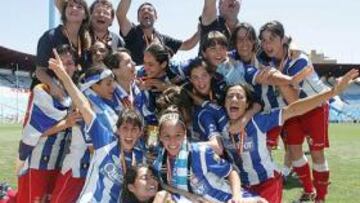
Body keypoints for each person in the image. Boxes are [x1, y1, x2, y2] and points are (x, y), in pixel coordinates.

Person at [223, 69, 358, 203]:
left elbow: (293, 109)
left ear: (247, 104)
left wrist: (332, 92)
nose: (234, 99)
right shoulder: (221, 126)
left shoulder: (258, 121)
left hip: (267, 183)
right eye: (230, 96)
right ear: (224, 103)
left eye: (240, 96)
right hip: (241, 186)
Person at [49, 49, 147, 202]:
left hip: (94, 171)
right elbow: (95, 147)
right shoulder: (87, 108)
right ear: (93, 86)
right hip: (76, 170)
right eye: (108, 84)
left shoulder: (108, 106)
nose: (113, 87)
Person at [259, 20, 333, 202]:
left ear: (283, 39)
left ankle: (321, 198)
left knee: (317, 153)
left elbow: (293, 99)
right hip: (293, 111)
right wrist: (281, 77)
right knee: (293, 151)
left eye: (272, 39)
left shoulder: (299, 60)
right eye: (264, 40)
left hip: (315, 107)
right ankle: (309, 190)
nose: (268, 45)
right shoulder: (269, 59)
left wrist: (277, 79)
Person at [153, 106, 267, 203]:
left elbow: (231, 172)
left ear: (185, 135)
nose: (172, 141)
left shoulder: (200, 153)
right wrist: (189, 196)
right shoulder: (160, 161)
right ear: (160, 137)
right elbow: (164, 185)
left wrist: (237, 197)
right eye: (167, 136)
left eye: (178, 135)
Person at [16, 45, 80, 203]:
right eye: (62, 62)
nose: (66, 67)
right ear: (54, 66)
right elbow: (34, 133)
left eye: (70, 63)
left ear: (76, 67)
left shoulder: (76, 94)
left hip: (60, 163)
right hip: (38, 162)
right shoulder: (42, 90)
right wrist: (67, 123)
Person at [116, 0, 200, 64]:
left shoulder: (162, 39)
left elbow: (187, 45)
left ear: (156, 16)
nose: (146, 11)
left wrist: (200, 30)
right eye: (142, 10)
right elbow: (120, 14)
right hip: (136, 79)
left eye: (150, 10)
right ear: (138, 18)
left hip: (158, 80)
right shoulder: (132, 31)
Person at [56, 0, 124, 50]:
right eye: (97, 12)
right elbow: (61, 4)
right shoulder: (80, 35)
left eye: (106, 13)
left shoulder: (117, 41)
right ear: (89, 15)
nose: (101, 15)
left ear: (112, 19)